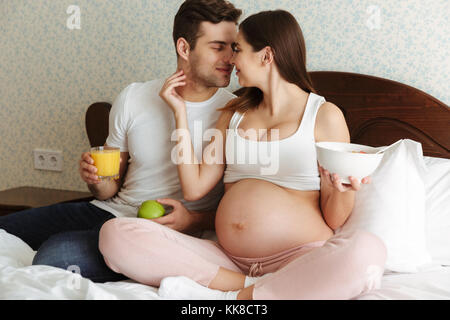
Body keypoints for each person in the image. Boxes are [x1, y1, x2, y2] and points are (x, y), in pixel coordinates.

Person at [98, 10, 387, 299]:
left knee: (367, 250)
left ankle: (248, 295)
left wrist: (342, 190)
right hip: (228, 262)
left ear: (266, 56)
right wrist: (179, 113)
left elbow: (335, 220)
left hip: (299, 258)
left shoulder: (323, 116)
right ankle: (254, 290)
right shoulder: (233, 114)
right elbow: (194, 187)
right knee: (115, 234)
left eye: (237, 49)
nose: (231, 59)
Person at [0, 0, 242, 283]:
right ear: (184, 48)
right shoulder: (134, 97)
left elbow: (241, 211)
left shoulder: (236, 114)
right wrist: (95, 178)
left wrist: (194, 220)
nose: (230, 58)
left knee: (55, 257)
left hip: (161, 230)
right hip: (109, 211)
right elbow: (107, 189)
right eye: (218, 47)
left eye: (233, 47)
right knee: (6, 228)